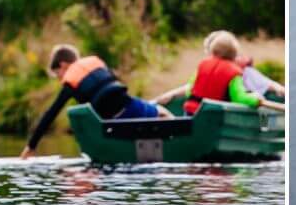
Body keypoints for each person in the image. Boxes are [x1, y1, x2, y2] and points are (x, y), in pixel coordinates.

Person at [20, 44, 166, 159]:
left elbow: (50, 114)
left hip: (111, 125)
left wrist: (31, 146)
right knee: (162, 113)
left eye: (58, 73)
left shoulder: (70, 82)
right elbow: (115, 83)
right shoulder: (96, 62)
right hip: (129, 105)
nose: (59, 78)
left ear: (63, 65)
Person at [184, 31, 266, 115]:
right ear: (234, 53)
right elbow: (238, 98)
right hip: (210, 115)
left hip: (190, 111)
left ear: (213, 49)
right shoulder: (234, 72)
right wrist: (256, 99)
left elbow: (189, 91)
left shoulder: (203, 64)